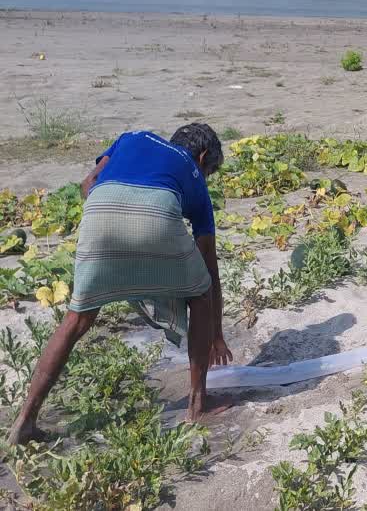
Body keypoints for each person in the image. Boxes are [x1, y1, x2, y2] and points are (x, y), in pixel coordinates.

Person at [6, 124, 232, 446]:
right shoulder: (191, 173)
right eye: (209, 171)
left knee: (76, 319)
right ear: (203, 157)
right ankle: (197, 405)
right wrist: (216, 334)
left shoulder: (133, 138)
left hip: (98, 212)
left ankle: (25, 421)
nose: (205, 177)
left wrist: (108, 220)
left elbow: (88, 184)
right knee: (200, 293)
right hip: (156, 217)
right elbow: (209, 266)